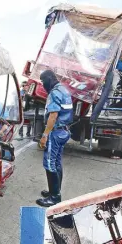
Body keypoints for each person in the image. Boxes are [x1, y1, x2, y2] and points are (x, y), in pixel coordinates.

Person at [36, 70, 73, 207]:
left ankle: (54, 197)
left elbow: (53, 116)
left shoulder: (54, 92)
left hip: (55, 132)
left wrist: (45, 135)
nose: (42, 84)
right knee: (56, 163)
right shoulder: (64, 89)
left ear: (48, 80)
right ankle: (54, 190)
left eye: (43, 81)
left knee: (50, 164)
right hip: (64, 131)